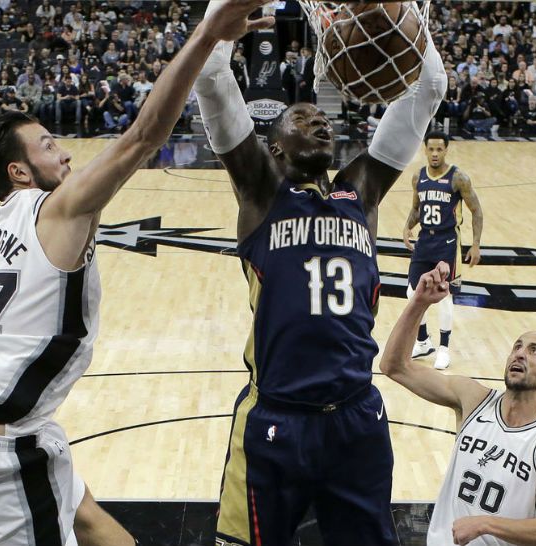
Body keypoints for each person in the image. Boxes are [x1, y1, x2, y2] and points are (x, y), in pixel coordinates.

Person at [0, 4, 274, 545]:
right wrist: (205, 35)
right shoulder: (54, 210)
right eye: (50, 147)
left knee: (86, 516)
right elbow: (144, 136)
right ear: (20, 172)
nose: (67, 154)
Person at [194, 1, 445, 543]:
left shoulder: (361, 191)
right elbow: (212, 78)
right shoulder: (261, 192)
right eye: (301, 118)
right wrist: (222, 18)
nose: (319, 121)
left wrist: (410, 22)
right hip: (275, 420)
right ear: (274, 144)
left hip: (356, 417)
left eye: (322, 117)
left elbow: (428, 91)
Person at [380, 262, 536, 546]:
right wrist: (420, 303)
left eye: (534, 350)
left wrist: (487, 524)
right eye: (517, 346)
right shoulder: (473, 399)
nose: (520, 354)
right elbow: (394, 366)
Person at [402, 131, 483, 370]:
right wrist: (407, 227)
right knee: (412, 293)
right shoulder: (418, 176)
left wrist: (476, 244)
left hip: (447, 243)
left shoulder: (458, 178)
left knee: (444, 294)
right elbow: (417, 208)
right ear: (425, 150)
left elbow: (476, 210)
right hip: (425, 240)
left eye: (440, 149)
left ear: (446, 150)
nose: (435, 154)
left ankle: (444, 348)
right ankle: (423, 340)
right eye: (431, 149)